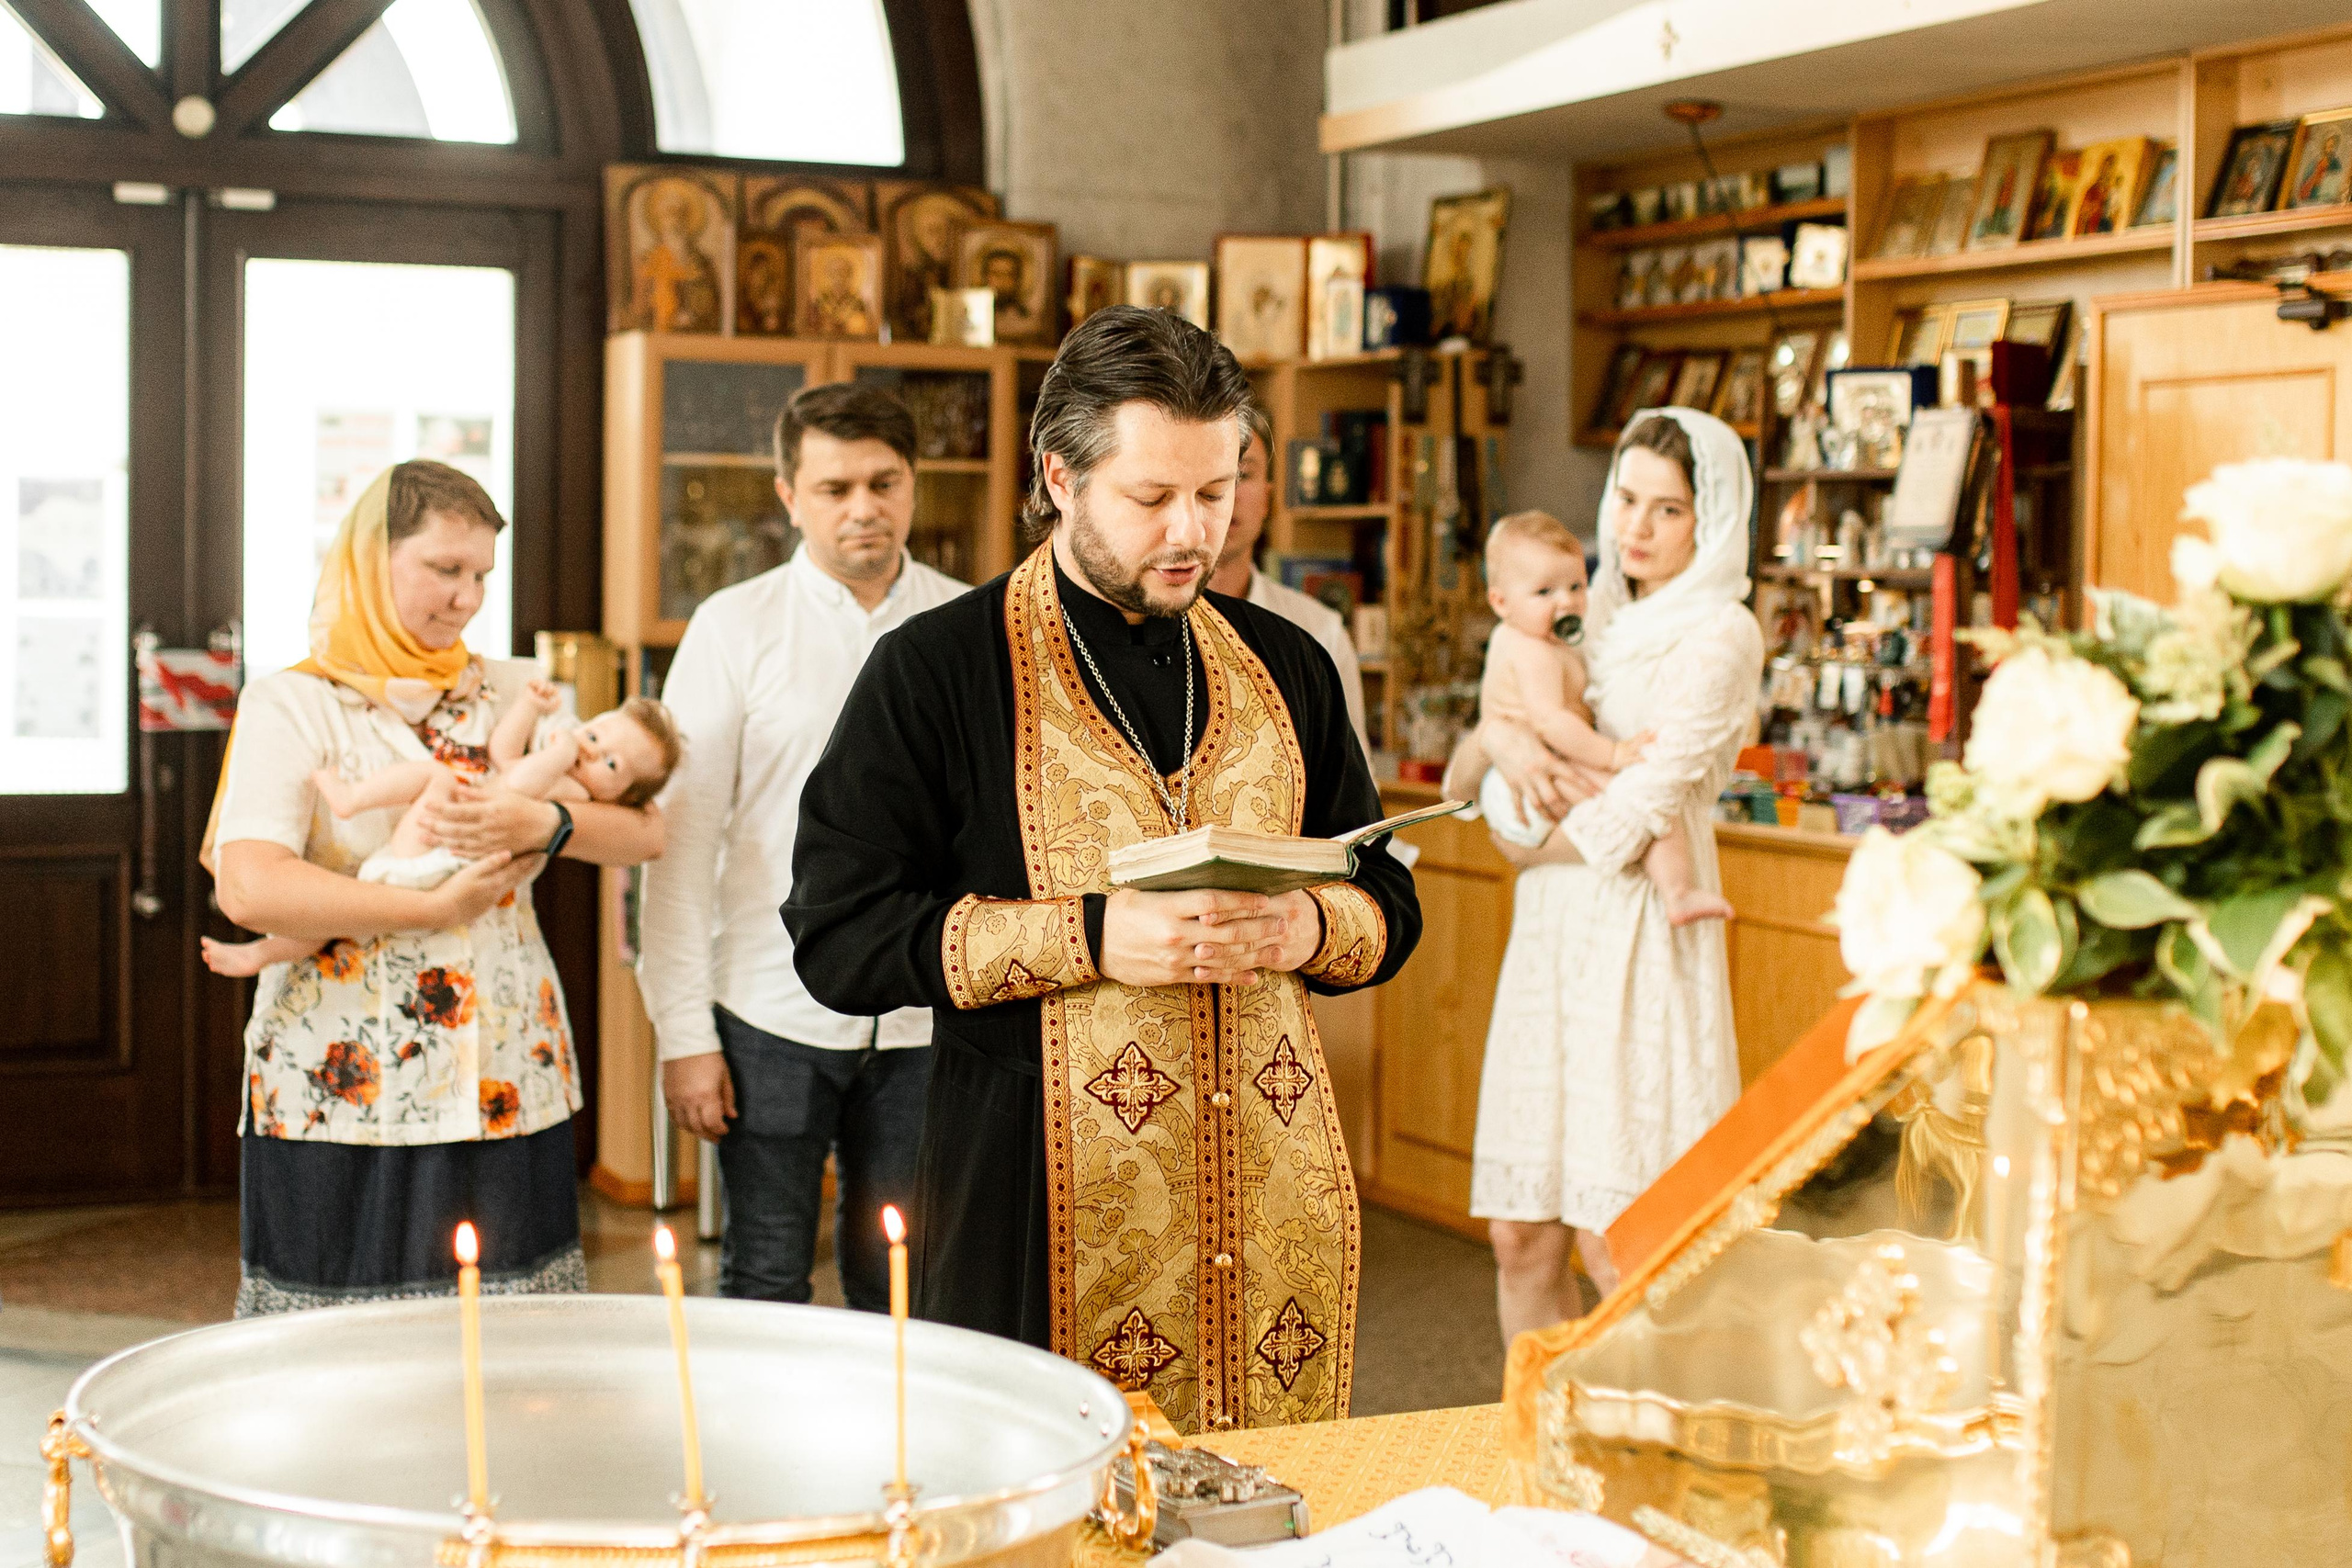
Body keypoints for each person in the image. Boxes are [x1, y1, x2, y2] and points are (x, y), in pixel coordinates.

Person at [784, 306, 1420, 1433]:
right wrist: (1088, 935)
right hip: (1028, 1207)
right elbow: (840, 936)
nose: (1192, 532)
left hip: (1271, 1210)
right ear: (1059, 476)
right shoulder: (936, 669)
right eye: (1151, 496)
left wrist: (1307, 930)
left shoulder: (1289, 665)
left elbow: (1387, 896)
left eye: (1216, 492)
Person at [208, 459, 666, 1315]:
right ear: (370, 558)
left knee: (505, 1348)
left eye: (482, 575)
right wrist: (428, 908)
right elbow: (250, 888)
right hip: (336, 1083)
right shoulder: (291, 703)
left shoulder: (515, 689)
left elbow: (644, 829)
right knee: (336, 1349)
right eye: (445, 569)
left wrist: (541, 821)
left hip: (501, 1073)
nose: (467, 598)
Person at [638, 383, 967, 1310]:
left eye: (883, 483)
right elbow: (680, 846)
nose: (863, 508)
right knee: (765, 1279)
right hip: (767, 1010)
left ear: (913, 484)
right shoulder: (733, 626)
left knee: (903, 1282)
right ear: (789, 496)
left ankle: (894, 1420)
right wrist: (683, 1035)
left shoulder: (967, 623)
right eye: (833, 488)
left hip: (924, 1014)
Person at [1445, 410, 1762, 1343]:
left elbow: (1637, 808)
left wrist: (1517, 829)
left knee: (1618, 1243)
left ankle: (1635, 1436)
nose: (1637, 527)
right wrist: (1499, 740)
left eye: (1669, 509)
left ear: (1711, 520)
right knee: (1519, 1237)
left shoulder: (1721, 632)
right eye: (1626, 499)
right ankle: (1539, 1423)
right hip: (1551, 941)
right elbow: (1470, 769)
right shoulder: (1582, 612)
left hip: (1641, 937)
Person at [207, 685, 680, 976]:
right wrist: (528, 707)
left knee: (436, 778)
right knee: (339, 917)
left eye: (611, 765)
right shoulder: (288, 698)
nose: (590, 753)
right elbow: (504, 753)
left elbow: (519, 784)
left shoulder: (574, 788)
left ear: (621, 796)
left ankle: (353, 798)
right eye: (593, 737)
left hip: (448, 860)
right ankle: (262, 954)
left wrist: (560, 753)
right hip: (432, 862)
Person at [1473, 510, 1729, 927]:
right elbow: (1550, 722)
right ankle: (1677, 892)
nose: (1566, 601)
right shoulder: (1532, 650)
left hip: (1520, 778)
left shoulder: (1529, 637)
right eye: (1544, 591)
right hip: (1535, 775)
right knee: (1643, 803)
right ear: (1500, 602)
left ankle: (1674, 891)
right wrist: (1613, 754)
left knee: (1639, 805)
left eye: (1576, 586)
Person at [1205, 403, 1370, 757]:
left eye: (1243, 474)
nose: (1227, 493)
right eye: (1210, 473)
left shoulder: (1318, 634)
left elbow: (1353, 784)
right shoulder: (1140, 623)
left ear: (1268, 498)